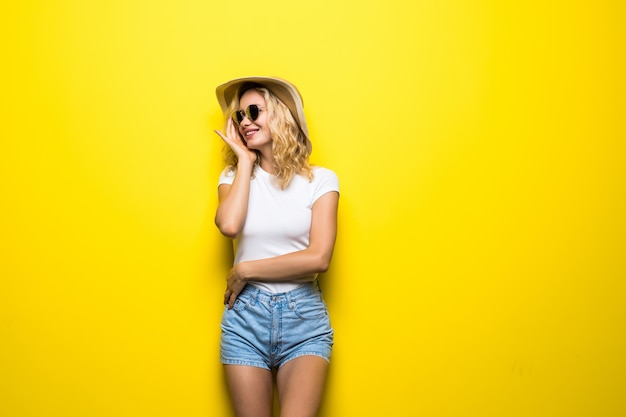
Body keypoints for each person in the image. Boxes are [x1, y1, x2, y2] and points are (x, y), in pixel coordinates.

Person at [213, 76, 339, 417]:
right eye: (240, 116)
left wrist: (245, 270)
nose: (246, 121)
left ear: (281, 114)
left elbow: (319, 257)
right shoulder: (233, 178)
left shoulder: (321, 181)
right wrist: (244, 162)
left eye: (254, 111)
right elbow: (228, 225)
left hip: (303, 319)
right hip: (245, 320)